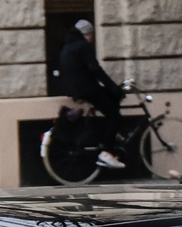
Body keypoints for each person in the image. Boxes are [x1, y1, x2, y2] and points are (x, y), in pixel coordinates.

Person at [53, 18, 127, 172]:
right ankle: (106, 152)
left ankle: (112, 135)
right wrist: (113, 86)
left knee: (110, 100)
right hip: (86, 88)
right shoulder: (83, 46)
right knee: (114, 115)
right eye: (92, 35)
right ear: (87, 34)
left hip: (75, 90)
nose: (93, 38)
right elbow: (95, 69)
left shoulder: (68, 46)